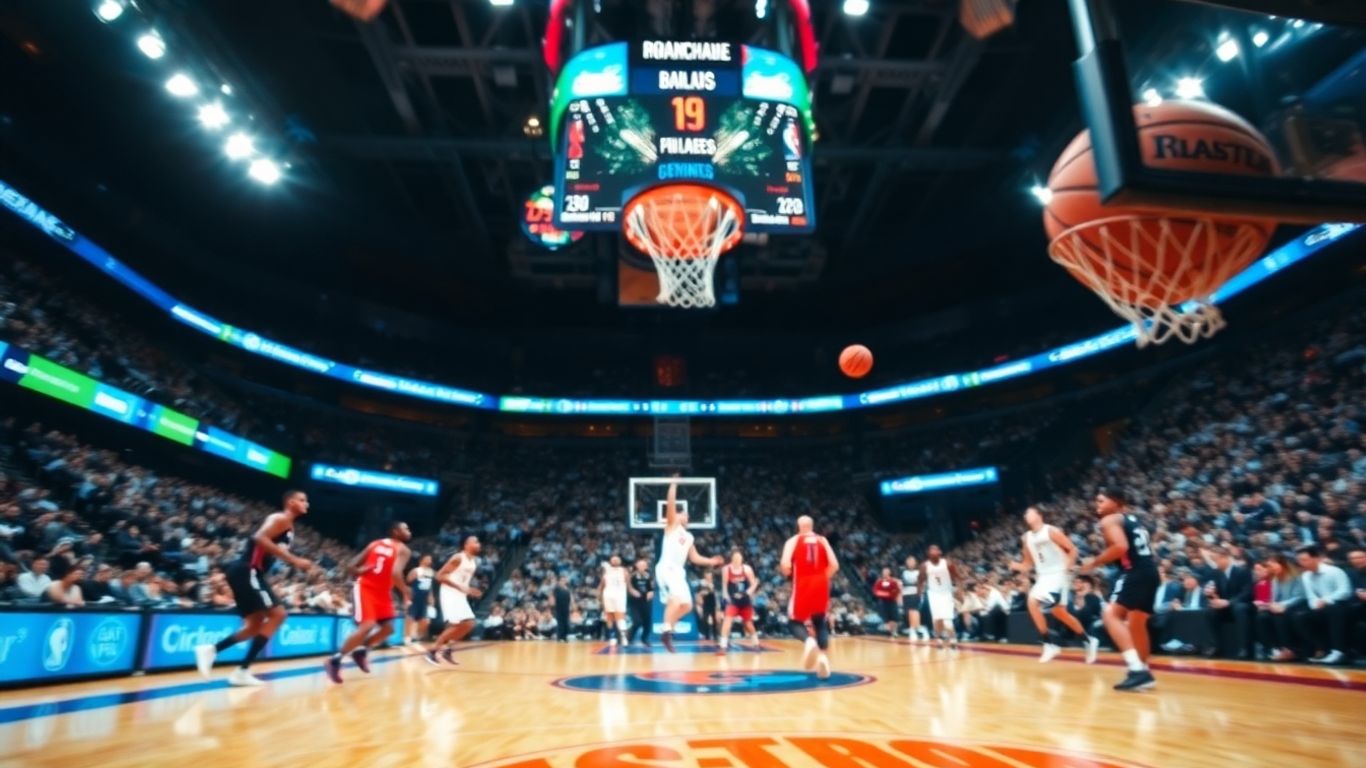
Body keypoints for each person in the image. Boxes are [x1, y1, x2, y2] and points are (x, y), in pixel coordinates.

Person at [196, 490, 315, 686]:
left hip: (248, 573)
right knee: (278, 614)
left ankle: (211, 650)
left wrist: (295, 561)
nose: (306, 504)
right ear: (291, 502)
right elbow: (259, 537)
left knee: (254, 626)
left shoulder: (288, 527)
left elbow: (277, 549)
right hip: (247, 570)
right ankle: (242, 670)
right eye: (303, 500)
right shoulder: (280, 518)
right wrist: (295, 560)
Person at [1080, 488, 1158, 692]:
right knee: (1137, 624)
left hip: (1134, 572)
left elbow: (1120, 547)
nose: (1097, 505)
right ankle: (1144, 671)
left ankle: (1136, 670)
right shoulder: (1133, 520)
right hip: (1151, 572)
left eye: (1101, 501)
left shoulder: (1109, 520)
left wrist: (1094, 563)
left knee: (1110, 614)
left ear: (1116, 502)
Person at [1011, 506, 1099, 663]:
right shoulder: (1026, 538)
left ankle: (1048, 644)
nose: (1026, 514)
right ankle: (1089, 640)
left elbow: (1072, 549)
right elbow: (1027, 564)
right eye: (1025, 513)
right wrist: (1015, 565)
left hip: (1059, 573)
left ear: (1039, 515)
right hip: (1043, 576)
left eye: (1029, 511)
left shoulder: (1050, 531)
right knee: (1060, 613)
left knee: (1032, 601)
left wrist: (1068, 567)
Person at [326, 522, 412, 684]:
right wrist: (405, 590)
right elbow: (395, 573)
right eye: (405, 528)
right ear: (395, 531)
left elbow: (351, 566)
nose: (409, 531)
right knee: (368, 625)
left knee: (389, 628)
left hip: (383, 592)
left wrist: (359, 570)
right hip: (365, 588)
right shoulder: (403, 550)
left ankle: (361, 650)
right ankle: (334, 661)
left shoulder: (375, 544)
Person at [656, 477, 724, 652]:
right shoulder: (671, 527)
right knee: (676, 600)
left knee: (687, 605)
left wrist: (711, 561)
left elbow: (694, 558)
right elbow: (671, 504)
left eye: (686, 514)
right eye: (683, 513)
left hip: (679, 571)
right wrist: (673, 484)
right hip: (666, 567)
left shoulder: (689, 537)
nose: (686, 515)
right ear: (677, 516)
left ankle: (668, 630)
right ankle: (667, 630)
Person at [780, 515, 839, 678]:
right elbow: (835, 565)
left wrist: (791, 575)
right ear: (812, 526)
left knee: (794, 622)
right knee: (820, 621)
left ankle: (809, 641)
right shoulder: (823, 540)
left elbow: (785, 565)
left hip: (803, 583)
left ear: (799, 526)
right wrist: (822, 577)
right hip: (821, 583)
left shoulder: (793, 541)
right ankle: (822, 658)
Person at [427, 536, 483, 665]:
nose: (479, 544)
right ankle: (433, 651)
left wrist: (469, 590)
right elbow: (439, 576)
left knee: (468, 624)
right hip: (449, 593)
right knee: (463, 623)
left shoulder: (473, 562)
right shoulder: (458, 558)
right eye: (476, 541)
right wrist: (461, 588)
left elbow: (461, 580)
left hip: (459, 594)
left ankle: (447, 649)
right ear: (466, 545)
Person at [1294, 545, 1351, 665]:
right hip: (1320, 607)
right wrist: (1315, 606)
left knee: (1334, 610)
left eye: (1304, 560)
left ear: (1316, 559)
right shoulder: (1306, 576)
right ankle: (1322, 648)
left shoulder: (1334, 571)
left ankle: (1338, 651)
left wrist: (1326, 600)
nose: (1301, 563)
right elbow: (1311, 596)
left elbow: (1345, 591)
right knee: (1300, 616)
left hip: (1340, 605)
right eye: (1299, 560)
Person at [1197, 546, 1253, 658]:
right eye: (1212, 560)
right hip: (1225, 607)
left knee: (1239, 608)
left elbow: (1247, 592)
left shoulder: (1242, 571)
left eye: (1215, 559)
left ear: (1225, 558)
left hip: (1241, 605)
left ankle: (1244, 648)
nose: (1214, 562)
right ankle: (1216, 646)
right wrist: (1210, 595)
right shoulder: (1216, 573)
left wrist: (1229, 602)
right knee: (1210, 611)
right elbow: (1215, 592)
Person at [1259, 553, 1305, 661]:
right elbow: (1274, 598)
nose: (1271, 568)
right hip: (1280, 607)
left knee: (1279, 616)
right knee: (1262, 616)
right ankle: (1272, 648)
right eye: (1269, 566)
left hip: (1297, 606)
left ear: (1282, 564)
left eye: (1273, 565)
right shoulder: (1275, 579)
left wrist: (1282, 605)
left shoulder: (1297, 577)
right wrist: (1268, 605)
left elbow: (1300, 596)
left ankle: (1288, 649)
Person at [718, 551, 759, 653]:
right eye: (735, 557)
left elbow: (754, 584)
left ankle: (756, 644)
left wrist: (747, 593)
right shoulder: (726, 569)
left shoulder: (747, 569)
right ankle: (723, 646)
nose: (737, 559)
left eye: (739, 558)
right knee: (727, 622)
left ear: (742, 559)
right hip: (733, 601)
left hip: (745, 600)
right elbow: (724, 585)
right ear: (732, 559)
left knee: (748, 624)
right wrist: (725, 597)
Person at [920, 545, 959, 650]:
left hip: (946, 593)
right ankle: (938, 638)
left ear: (940, 552)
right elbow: (921, 579)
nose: (933, 551)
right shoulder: (925, 565)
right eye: (931, 549)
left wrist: (960, 590)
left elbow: (956, 577)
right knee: (937, 619)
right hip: (933, 594)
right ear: (928, 553)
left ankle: (952, 638)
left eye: (935, 549)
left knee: (947, 620)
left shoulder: (947, 563)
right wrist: (919, 592)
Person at [599, 555, 629, 646]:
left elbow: (628, 583)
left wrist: (632, 591)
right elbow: (602, 584)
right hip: (608, 595)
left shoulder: (624, 571)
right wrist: (599, 595)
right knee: (609, 617)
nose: (615, 560)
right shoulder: (606, 570)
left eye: (617, 559)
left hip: (619, 596)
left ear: (620, 561)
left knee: (620, 617)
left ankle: (623, 637)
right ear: (610, 561)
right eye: (613, 559)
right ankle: (612, 637)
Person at [405, 554, 435, 645]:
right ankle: (407, 637)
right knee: (410, 617)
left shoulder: (431, 572)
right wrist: (407, 597)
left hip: (424, 597)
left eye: (430, 559)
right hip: (415, 596)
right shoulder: (416, 571)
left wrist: (431, 596)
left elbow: (430, 586)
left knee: (424, 619)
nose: (429, 560)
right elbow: (407, 583)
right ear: (421, 560)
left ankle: (417, 636)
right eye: (427, 558)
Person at [627, 558, 654, 646]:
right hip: (634, 602)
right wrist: (632, 591)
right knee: (637, 621)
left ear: (646, 566)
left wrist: (651, 592)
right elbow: (628, 586)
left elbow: (652, 588)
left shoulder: (649, 575)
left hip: (646, 601)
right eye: (640, 565)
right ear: (637, 566)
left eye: (644, 565)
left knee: (647, 622)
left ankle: (644, 639)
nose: (642, 567)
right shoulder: (632, 576)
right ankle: (629, 638)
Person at [901, 555, 928, 642]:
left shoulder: (918, 572)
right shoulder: (903, 572)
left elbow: (921, 582)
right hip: (906, 593)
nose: (910, 563)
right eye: (908, 561)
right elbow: (907, 581)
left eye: (912, 561)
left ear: (915, 562)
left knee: (915, 610)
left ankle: (917, 629)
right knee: (910, 611)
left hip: (916, 593)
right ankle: (914, 629)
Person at [871, 567, 901, 638]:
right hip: (883, 602)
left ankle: (894, 631)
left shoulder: (893, 581)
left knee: (894, 617)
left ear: (889, 572)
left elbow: (896, 590)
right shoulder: (879, 581)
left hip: (892, 601)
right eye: (884, 572)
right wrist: (885, 594)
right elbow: (875, 591)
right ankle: (890, 632)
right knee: (886, 618)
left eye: (887, 572)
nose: (885, 573)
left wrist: (891, 594)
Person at [553, 577, 572, 642]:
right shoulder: (557, 588)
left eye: (564, 580)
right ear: (559, 581)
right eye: (562, 580)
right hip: (559, 608)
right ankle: (559, 637)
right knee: (560, 623)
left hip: (566, 608)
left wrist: (570, 606)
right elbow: (553, 598)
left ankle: (565, 637)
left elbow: (570, 599)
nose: (563, 582)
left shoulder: (567, 589)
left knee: (566, 623)